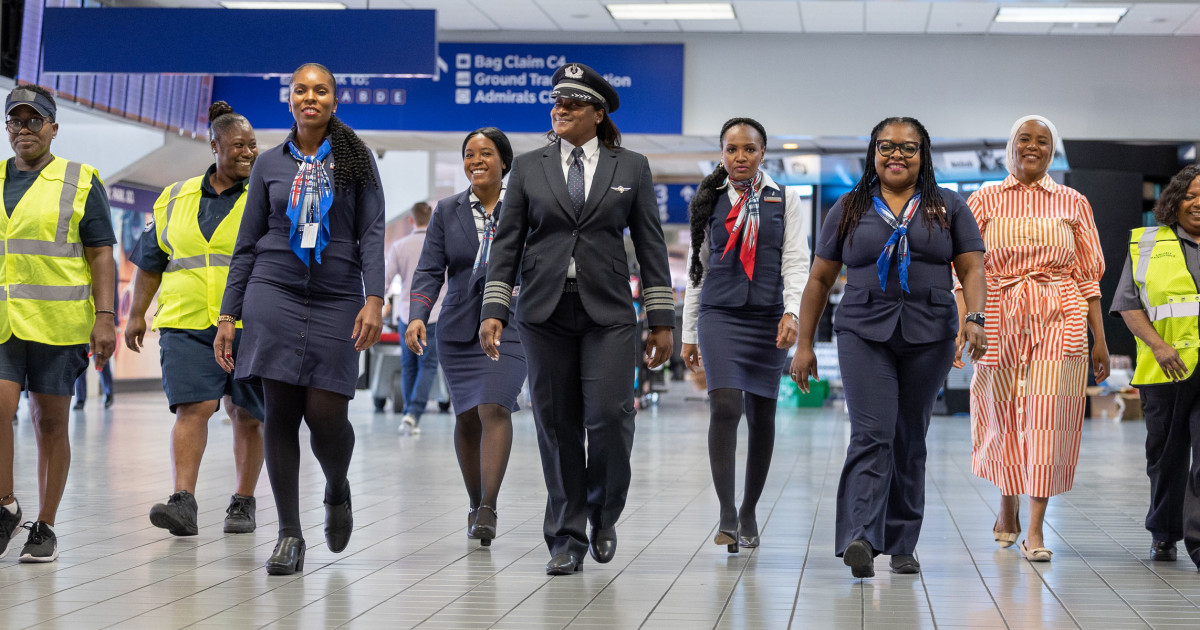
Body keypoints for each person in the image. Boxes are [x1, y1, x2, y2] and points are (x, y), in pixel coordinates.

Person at [479, 63, 674, 575]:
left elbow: (651, 245)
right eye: (556, 101)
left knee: (610, 415)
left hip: (608, 312)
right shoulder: (528, 166)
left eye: (573, 102)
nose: (560, 108)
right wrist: (494, 308)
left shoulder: (629, 166)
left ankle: (603, 513)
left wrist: (661, 320)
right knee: (557, 422)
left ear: (597, 112)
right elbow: (507, 244)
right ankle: (566, 535)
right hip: (543, 312)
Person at [792, 117, 987, 578]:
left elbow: (973, 269)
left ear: (924, 155)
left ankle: (902, 543)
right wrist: (803, 343)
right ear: (873, 153)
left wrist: (975, 318)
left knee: (908, 439)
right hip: (863, 331)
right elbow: (819, 279)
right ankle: (861, 534)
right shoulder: (848, 208)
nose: (897, 155)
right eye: (887, 147)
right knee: (871, 433)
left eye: (909, 148)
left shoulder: (949, 207)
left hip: (930, 333)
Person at [215, 63, 384, 575]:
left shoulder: (356, 160)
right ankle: (289, 534)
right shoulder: (268, 163)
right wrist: (229, 313)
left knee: (327, 414)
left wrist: (373, 298)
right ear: (290, 100)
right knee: (281, 413)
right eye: (301, 90)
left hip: (336, 295)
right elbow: (246, 245)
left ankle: (337, 487)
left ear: (335, 99)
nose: (310, 97)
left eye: (322, 90)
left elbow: (371, 232)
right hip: (273, 292)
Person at [965, 115, 1109, 563]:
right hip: (999, 315)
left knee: (1048, 418)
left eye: (1042, 141)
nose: (1033, 147)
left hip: (1060, 316)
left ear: (1053, 150)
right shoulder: (984, 199)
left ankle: (1034, 529)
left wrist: (1100, 339)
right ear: (1010, 146)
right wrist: (965, 324)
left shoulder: (1073, 202)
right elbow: (964, 270)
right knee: (1003, 412)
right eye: (1024, 139)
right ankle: (1006, 503)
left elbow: (1088, 277)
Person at [124, 101, 266, 537]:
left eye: (253, 146)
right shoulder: (173, 198)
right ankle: (183, 501)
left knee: (246, 412)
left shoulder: (266, 196)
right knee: (194, 406)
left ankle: (243, 501)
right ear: (214, 146)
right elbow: (150, 262)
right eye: (238, 145)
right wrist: (136, 315)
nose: (248, 153)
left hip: (250, 323)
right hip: (186, 322)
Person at [680, 117, 810, 552]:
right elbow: (697, 271)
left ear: (762, 153)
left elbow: (796, 262)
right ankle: (726, 513)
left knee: (762, 415)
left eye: (749, 149)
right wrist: (688, 333)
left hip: (768, 318)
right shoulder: (707, 200)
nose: (740, 157)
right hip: (719, 314)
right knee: (725, 403)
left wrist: (793, 312)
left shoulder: (785, 198)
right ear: (722, 153)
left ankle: (750, 508)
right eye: (732, 149)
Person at [0, 86, 117, 562]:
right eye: (15, 121)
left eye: (34, 120)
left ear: (52, 128)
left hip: (59, 322)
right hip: (4, 323)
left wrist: (106, 317)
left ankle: (44, 525)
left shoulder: (80, 179)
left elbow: (101, 254)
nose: (24, 129)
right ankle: (6, 504)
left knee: (50, 422)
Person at [407, 127, 527, 546]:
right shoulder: (447, 210)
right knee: (465, 417)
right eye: (469, 154)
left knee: (495, 407)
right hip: (458, 328)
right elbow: (428, 268)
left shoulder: (524, 206)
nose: (476, 160)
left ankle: (489, 507)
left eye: (486, 153)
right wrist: (418, 314)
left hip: (513, 324)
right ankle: (475, 502)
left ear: (504, 161)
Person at [1112, 164, 1200, 567]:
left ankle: (1198, 542)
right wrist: (1160, 346)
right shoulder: (1147, 244)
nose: (1197, 203)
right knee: (1166, 454)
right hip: (1166, 368)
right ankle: (1164, 534)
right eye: (1190, 194)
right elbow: (1129, 305)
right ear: (1175, 200)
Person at [385, 201, 444, 431]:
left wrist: (379, 304)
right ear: (432, 220)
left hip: (406, 315)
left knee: (408, 364)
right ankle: (413, 413)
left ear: (411, 220)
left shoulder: (400, 246)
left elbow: (386, 280)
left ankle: (409, 413)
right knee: (428, 365)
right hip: (435, 313)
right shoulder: (441, 245)